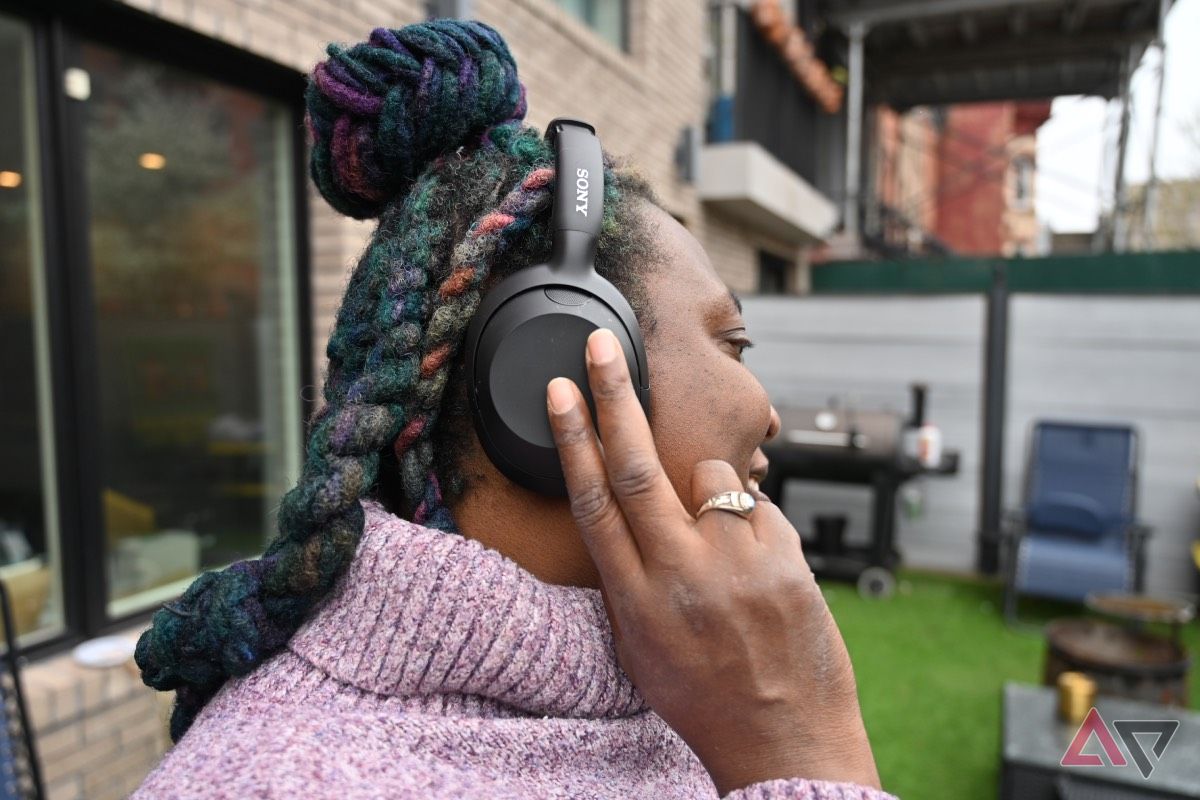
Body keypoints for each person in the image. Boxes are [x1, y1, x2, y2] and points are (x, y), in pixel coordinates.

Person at [132, 19, 896, 800]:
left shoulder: (694, 679)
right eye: (735, 342)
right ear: (558, 368)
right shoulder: (277, 781)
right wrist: (808, 749)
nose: (769, 417)